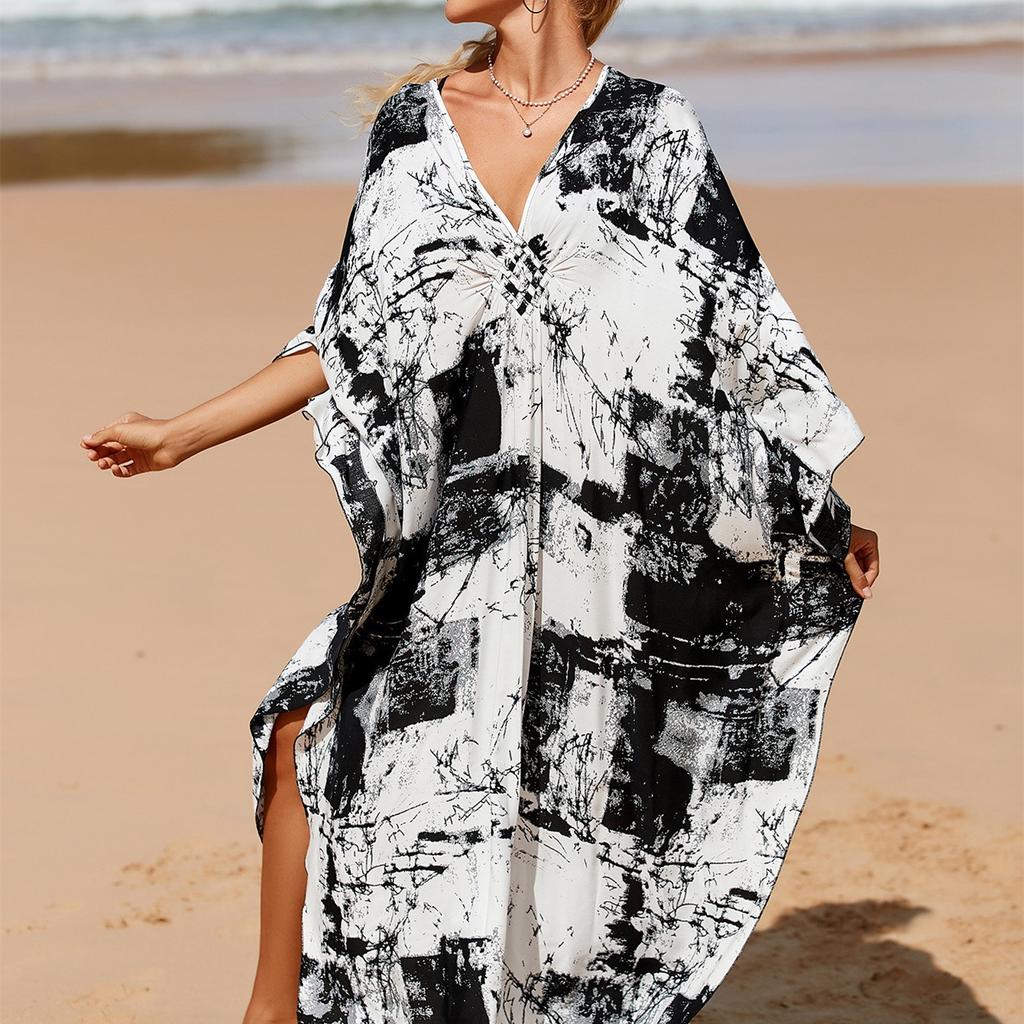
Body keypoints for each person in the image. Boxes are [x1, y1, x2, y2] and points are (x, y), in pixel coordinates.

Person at [80, 0, 881, 1021]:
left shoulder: (654, 128)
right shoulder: (414, 127)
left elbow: (734, 345)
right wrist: (182, 434)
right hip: (462, 542)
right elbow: (352, 333)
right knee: (308, 727)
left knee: (557, 825)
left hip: (601, 556)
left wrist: (821, 510)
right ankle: (271, 1008)